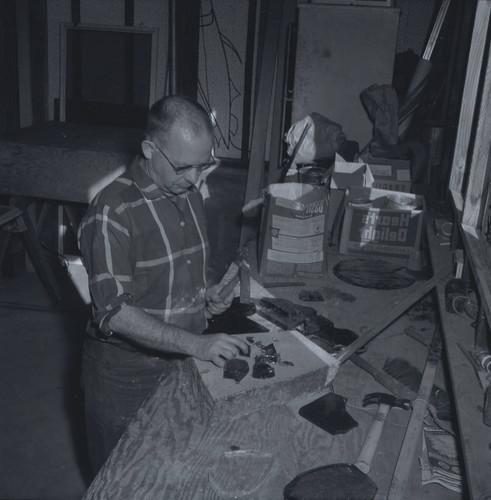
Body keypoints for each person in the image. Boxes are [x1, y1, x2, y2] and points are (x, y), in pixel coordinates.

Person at [78, 95, 249, 476]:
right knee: (121, 480)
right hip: (126, 374)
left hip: (184, 363)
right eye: (184, 167)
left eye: (203, 165)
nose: (194, 179)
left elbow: (176, 275)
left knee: (175, 474)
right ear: (149, 149)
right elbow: (114, 312)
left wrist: (207, 299)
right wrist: (197, 343)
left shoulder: (188, 195)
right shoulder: (112, 210)